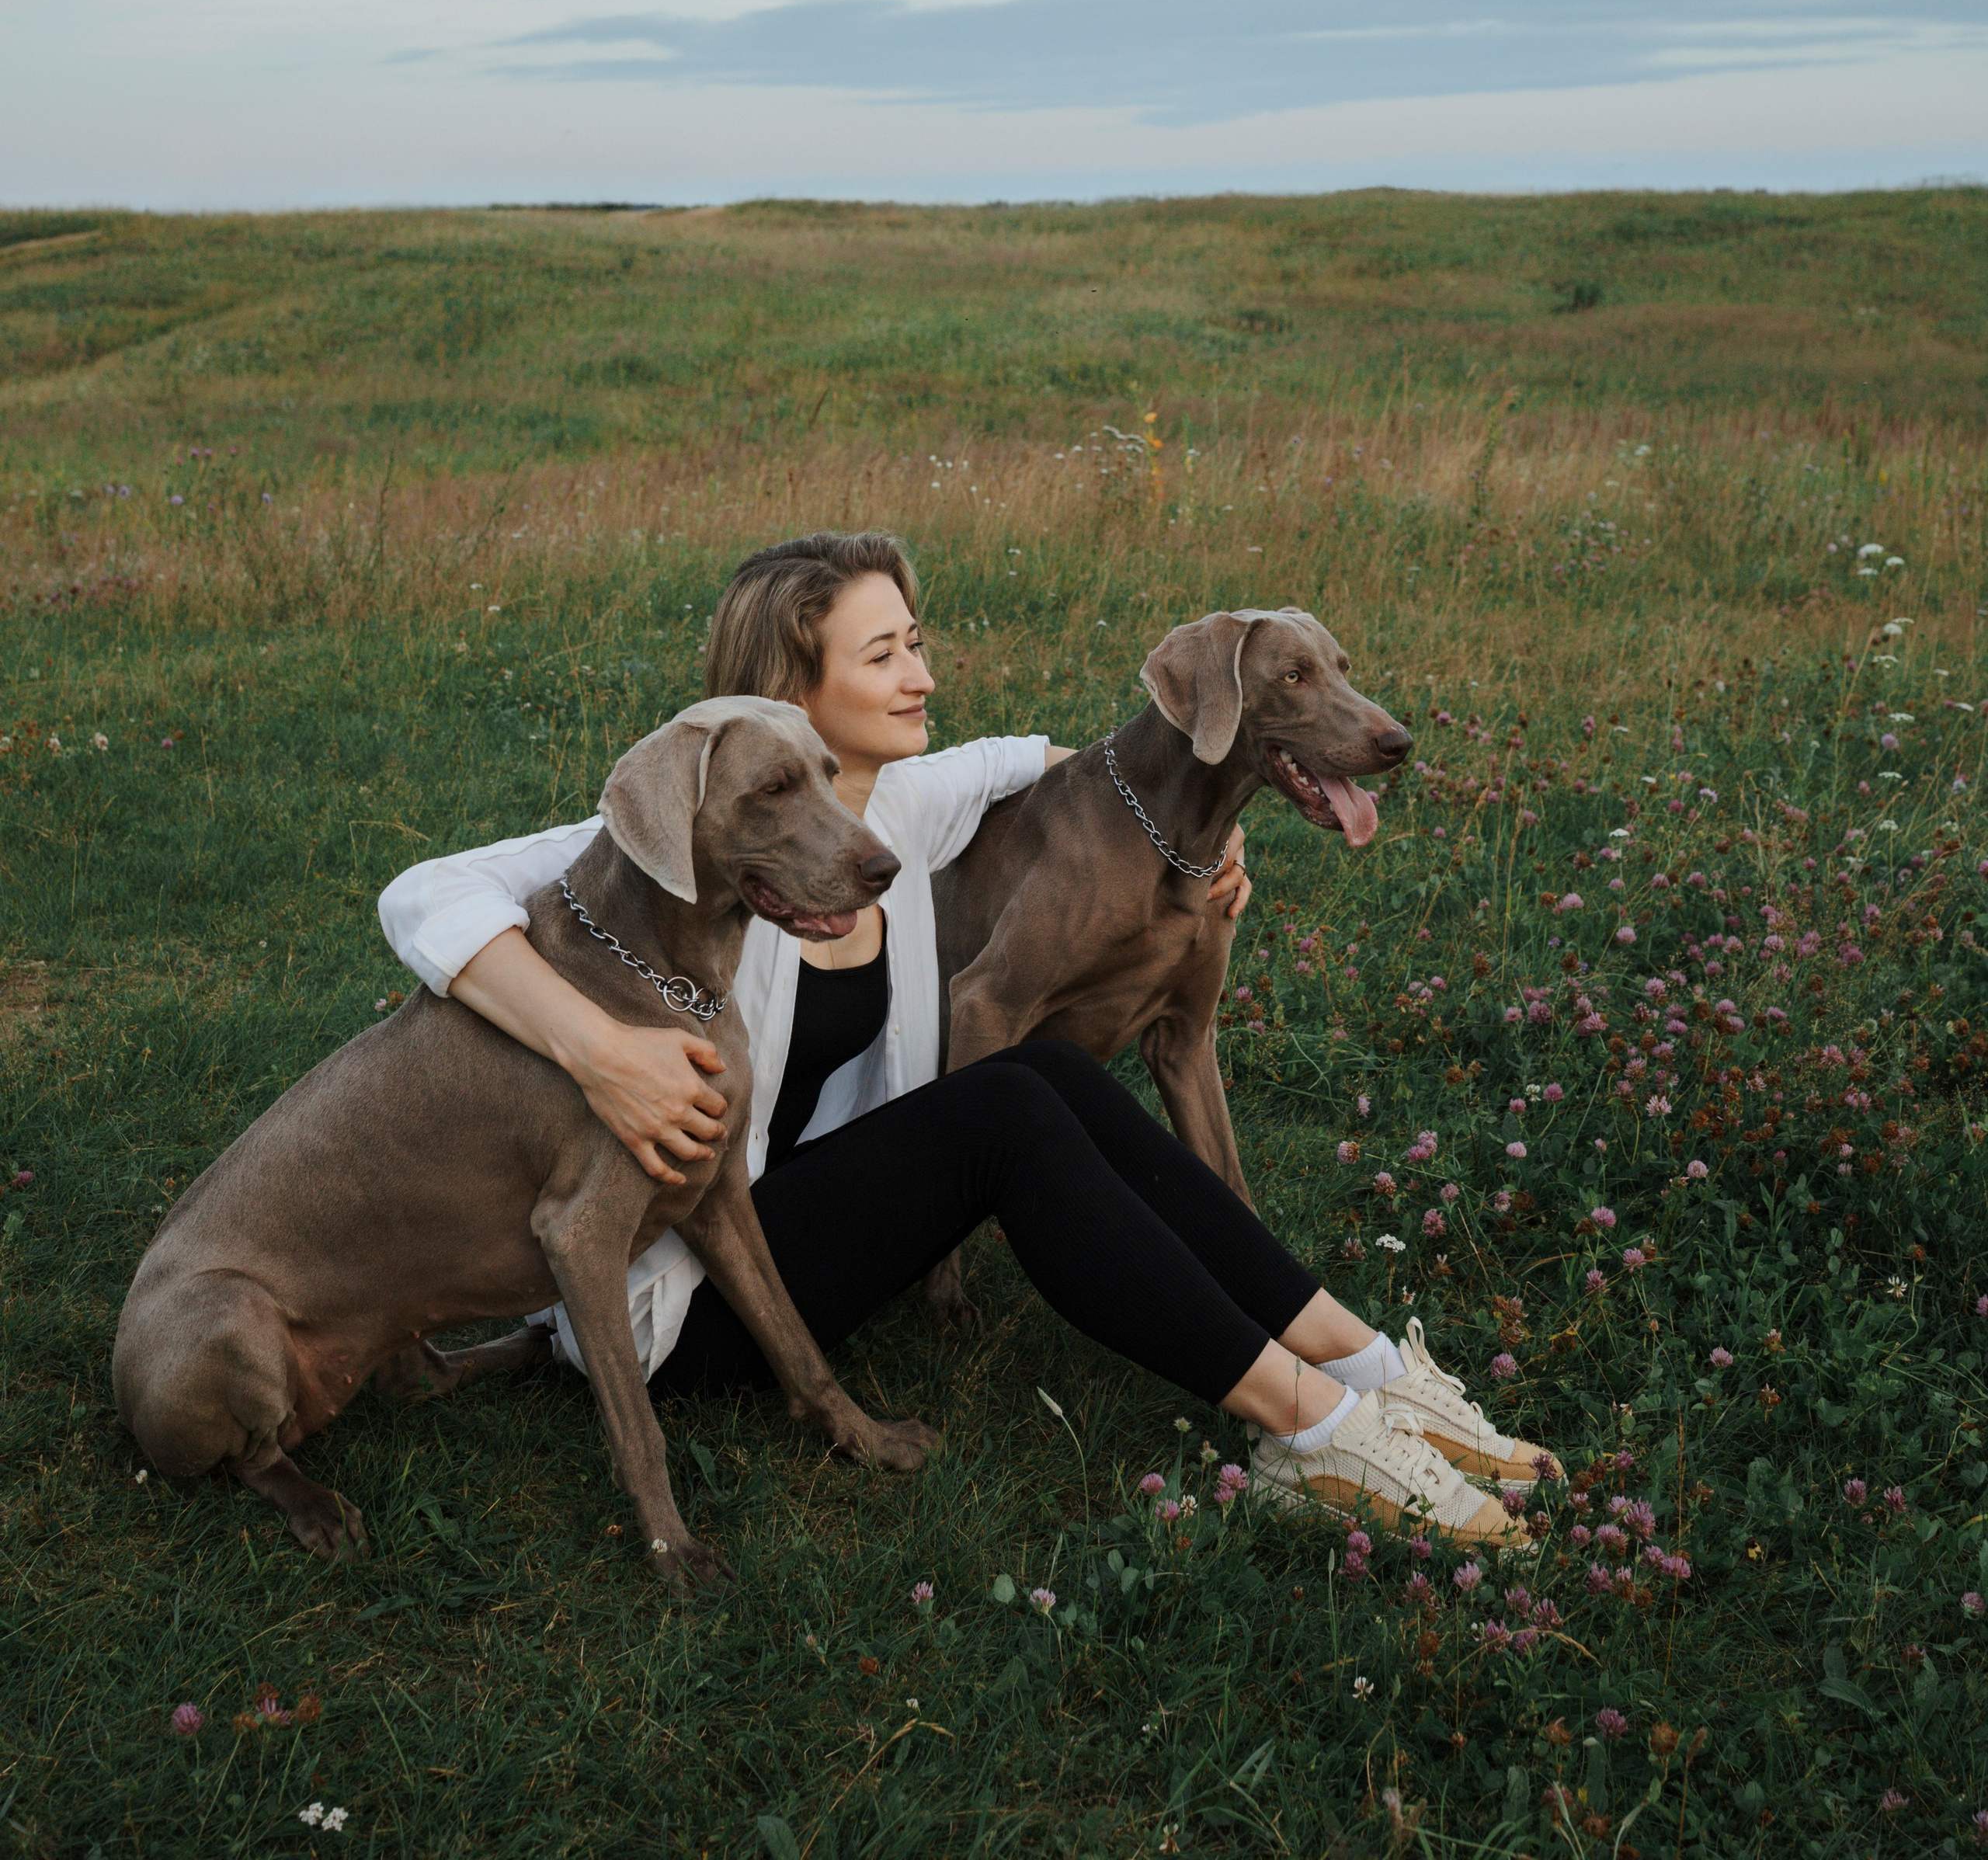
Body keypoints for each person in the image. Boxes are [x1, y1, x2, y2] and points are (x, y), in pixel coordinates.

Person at [377, 533, 1552, 1535]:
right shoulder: (689, 827)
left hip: (811, 1230)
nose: (920, 676)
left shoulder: (899, 807)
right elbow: (423, 892)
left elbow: (1060, 766)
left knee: (1038, 1072)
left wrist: (1214, 839)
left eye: (918, 643)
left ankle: (1372, 1372)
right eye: (883, 655)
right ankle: (1320, 1437)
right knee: (1008, 1107)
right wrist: (599, 1049)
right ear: (791, 684)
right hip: (682, 1301)